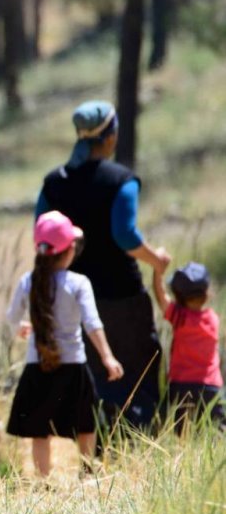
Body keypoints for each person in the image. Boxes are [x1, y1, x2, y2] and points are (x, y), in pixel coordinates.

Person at [37, 101, 170, 430]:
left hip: (70, 295)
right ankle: (137, 442)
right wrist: (158, 261)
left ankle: (94, 443)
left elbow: (39, 234)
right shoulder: (121, 180)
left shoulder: (54, 182)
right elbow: (124, 235)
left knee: (90, 372)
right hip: (120, 295)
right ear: (110, 137)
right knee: (135, 370)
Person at [5, 212, 124, 477]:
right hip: (73, 365)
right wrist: (107, 356)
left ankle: (43, 481)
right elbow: (92, 323)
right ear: (69, 250)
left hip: (38, 366)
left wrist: (21, 328)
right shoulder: (78, 283)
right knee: (86, 425)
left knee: (39, 430)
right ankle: (87, 474)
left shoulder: (28, 281)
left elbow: (11, 316)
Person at [152, 262, 225, 432]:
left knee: (182, 433)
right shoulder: (213, 319)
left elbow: (161, 296)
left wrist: (157, 271)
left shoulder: (179, 317)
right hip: (210, 386)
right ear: (207, 294)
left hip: (182, 385)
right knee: (219, 431)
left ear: (178, 296)